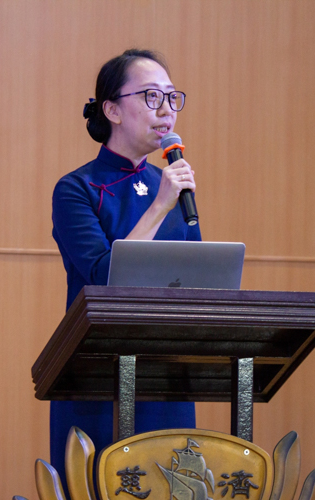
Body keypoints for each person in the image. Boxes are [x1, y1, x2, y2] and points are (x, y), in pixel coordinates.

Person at [49, 49, 200, 489]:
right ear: (112, 109)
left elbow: (198, 280)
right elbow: (103, 277)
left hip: (167, 374)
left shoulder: (171, 186)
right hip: (98, 376)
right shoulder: (78, 188)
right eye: (152, 97)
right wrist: (160, 206)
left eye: (173, 98)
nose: (167, 110)